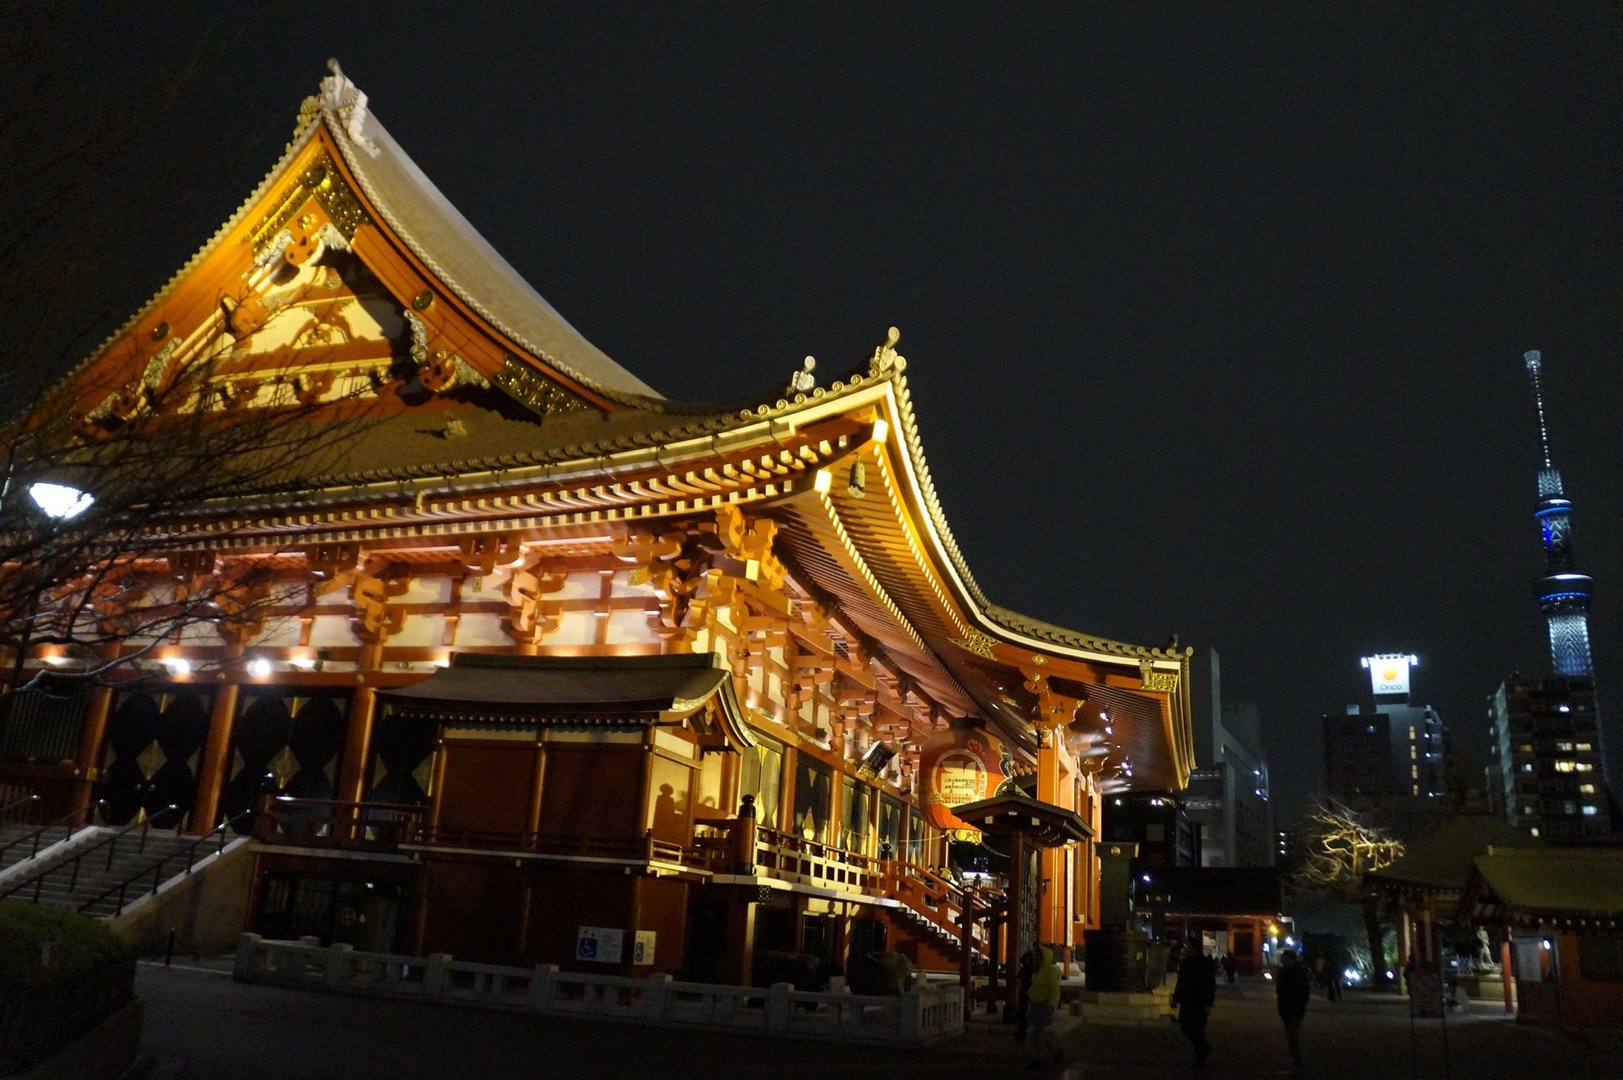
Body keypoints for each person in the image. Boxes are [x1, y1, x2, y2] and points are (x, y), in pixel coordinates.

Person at [1171, 945, 1218, 1067]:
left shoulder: (1203, 965)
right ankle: (1203, 1049)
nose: (1185, 951)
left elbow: (1210, 985)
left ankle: (1200, 1058)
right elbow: (1180, 982)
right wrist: (1176, 998)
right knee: (1187, 1026)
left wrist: (1208, 1003)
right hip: (1189, 1001)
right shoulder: (1186, 964)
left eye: (1188, 949)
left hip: (1198, 1001)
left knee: (1197, 1029)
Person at [1026, 944, 1063, 1067]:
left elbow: (1054, 990)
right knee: (1039, 1032)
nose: (1036, 958)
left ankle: (1038, 1059)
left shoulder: (1049, 971)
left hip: (1044, 1004)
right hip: (1035, 1003)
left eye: (1039, 956)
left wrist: (1052, 1005)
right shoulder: (1038, 969)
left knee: (1038, 1032)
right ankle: (1055, 1052)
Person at [1276, 949, 1312, 1074]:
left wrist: (1299, 1008)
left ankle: (1297, 1065)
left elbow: (1304, 993)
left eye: (1284, 958)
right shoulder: (1283, 973)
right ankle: (1295, 1064)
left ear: (1290, 959)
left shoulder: (1298, 973)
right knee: (1290, 1038)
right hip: (1286, 1010)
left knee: (1293, 1039)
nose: (1281, 959)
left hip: (1295, 1010)